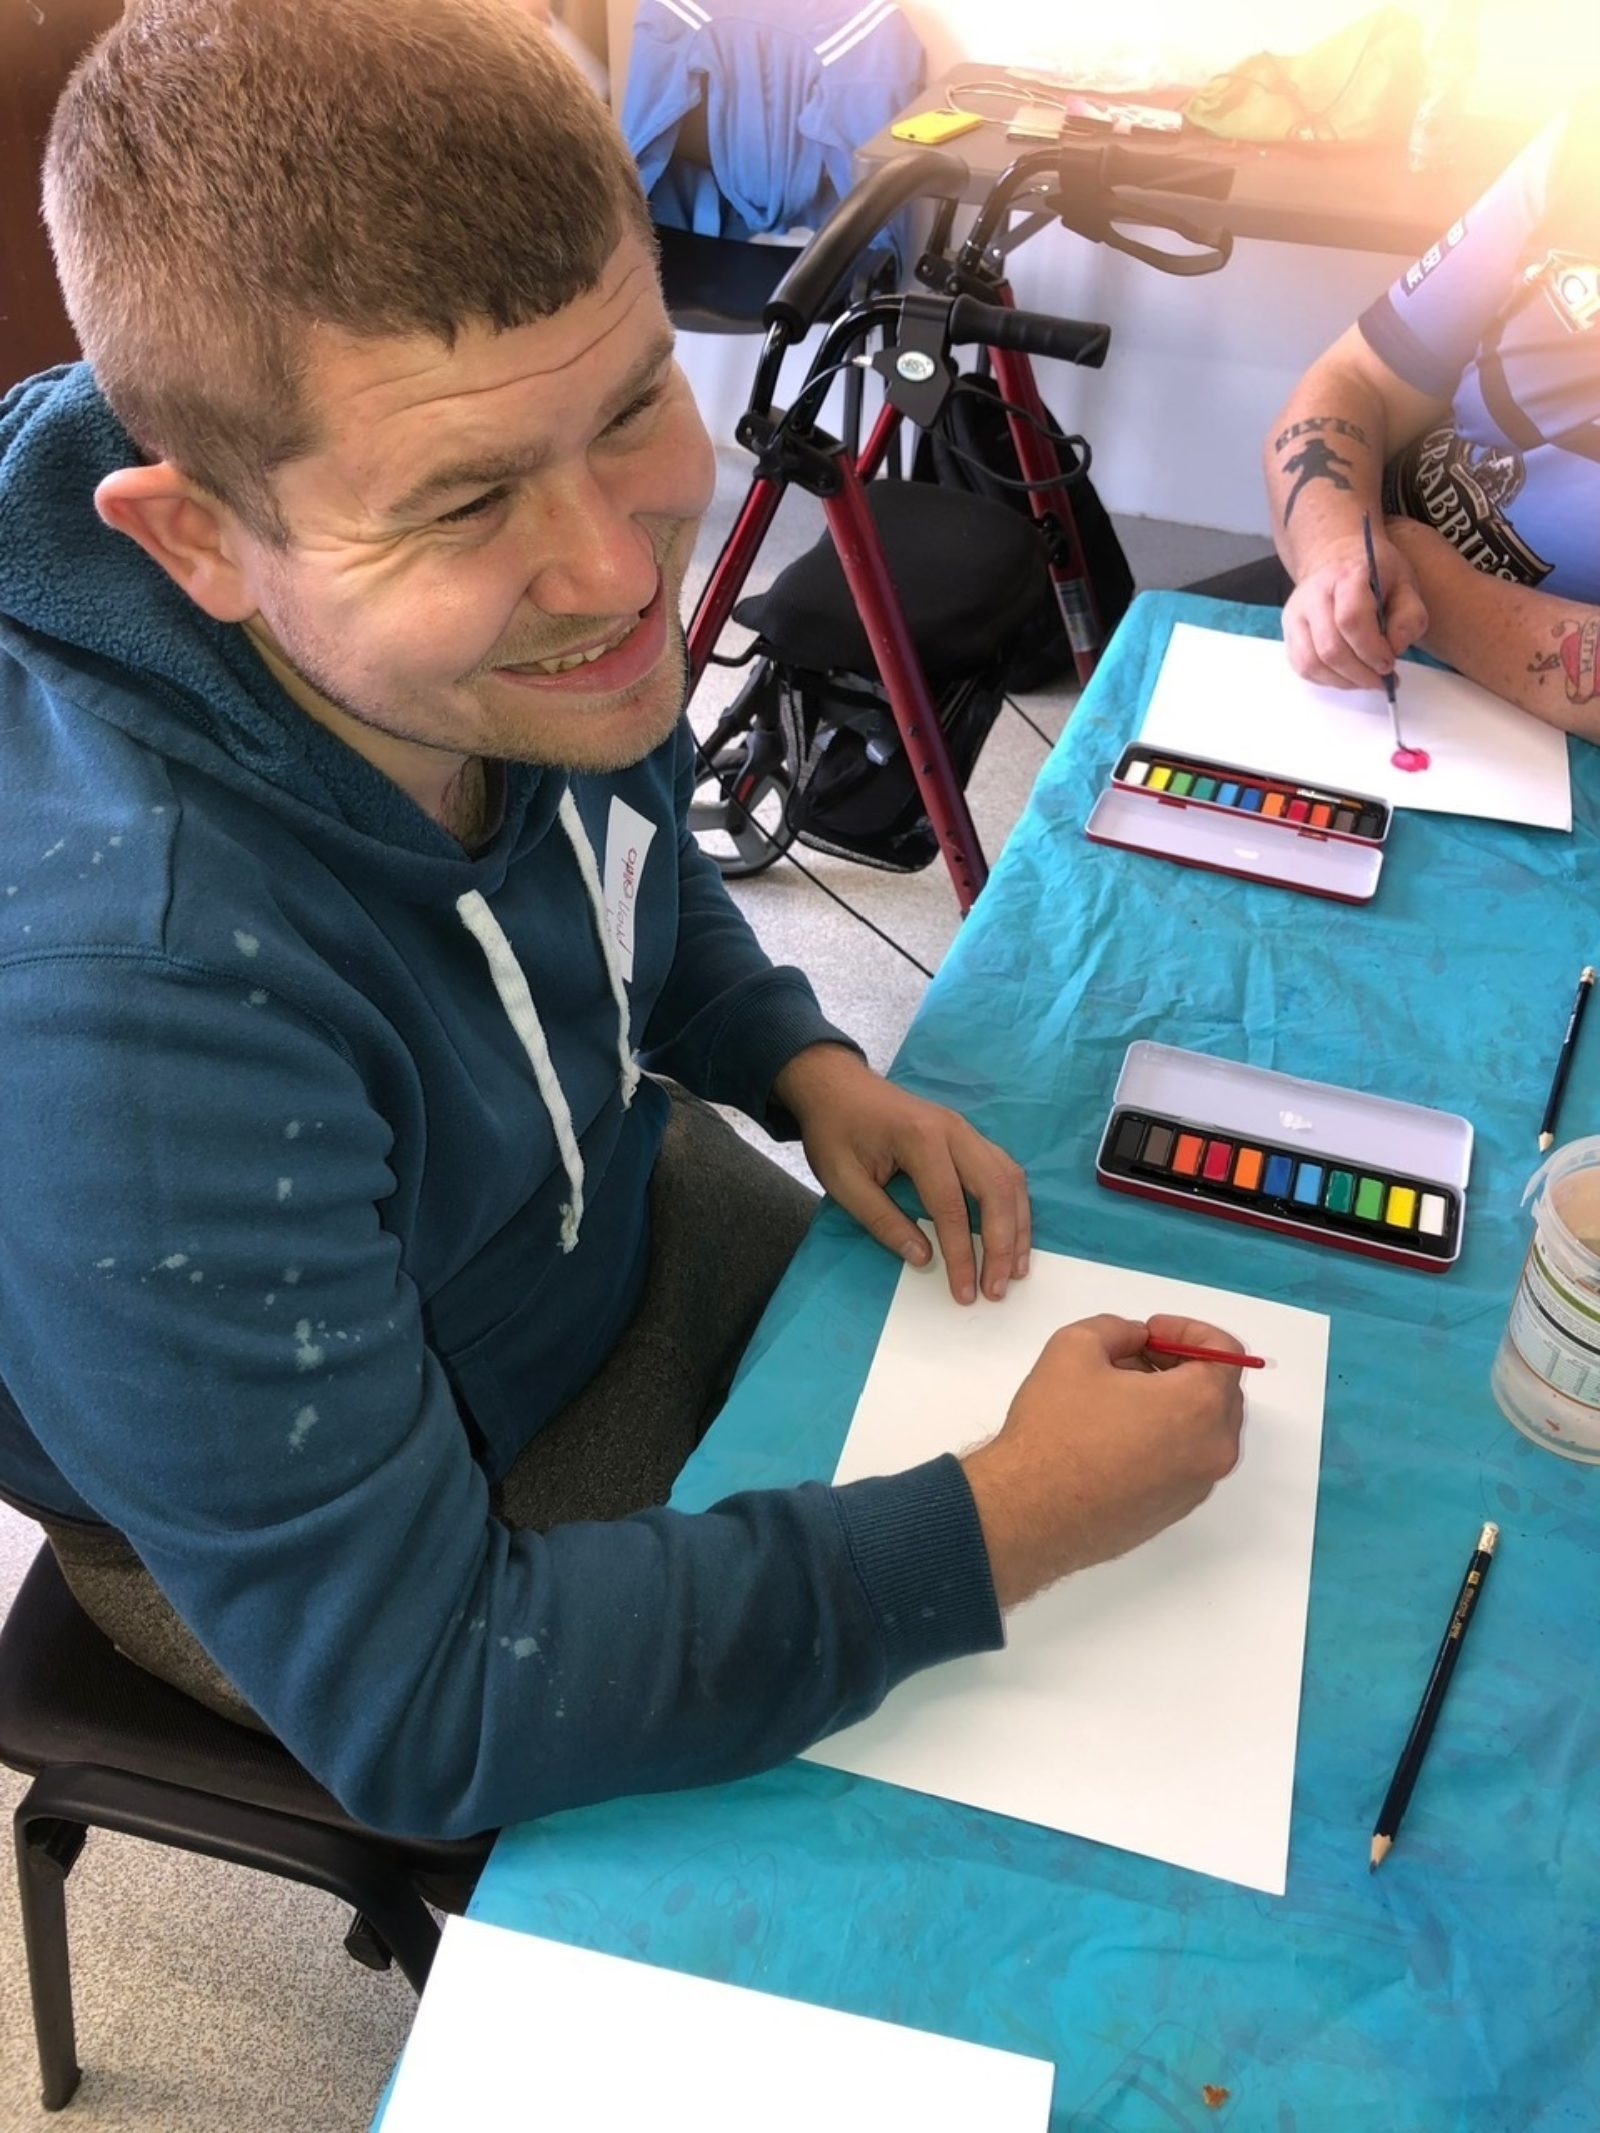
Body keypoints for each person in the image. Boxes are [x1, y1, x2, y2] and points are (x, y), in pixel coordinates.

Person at [0, 0, 1245, 1842]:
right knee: (948, 1827)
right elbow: (434, 1697)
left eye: (632, 403)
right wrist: (1006, 1520)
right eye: (465, 500)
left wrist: (798, 1057)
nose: (616, 569)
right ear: (197, 542)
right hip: (381, 1519)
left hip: (588, 1212)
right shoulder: (126, 1012)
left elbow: (621, 885)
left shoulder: (507, 649)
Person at [1257, 94, 1600, 739]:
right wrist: (1333, 550)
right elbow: (1356, 377)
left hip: (1547, 727)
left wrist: (1439, 593)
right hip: (1356, 583)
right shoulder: (1583, 151)